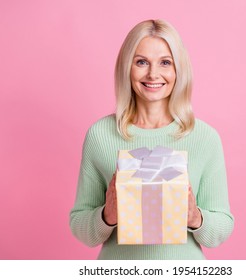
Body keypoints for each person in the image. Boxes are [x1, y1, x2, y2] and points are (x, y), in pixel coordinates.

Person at [70, 19, 234, 260]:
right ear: (127, 67)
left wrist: (193, 216)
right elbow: (80, 226)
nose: (153, 74)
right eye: (141, 62)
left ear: (179, 69)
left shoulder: (204, 138)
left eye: (165, 62)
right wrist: (108, 215)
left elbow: (222, 227)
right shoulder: (101, 135)